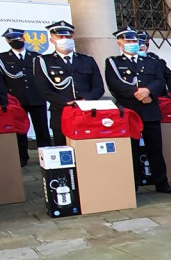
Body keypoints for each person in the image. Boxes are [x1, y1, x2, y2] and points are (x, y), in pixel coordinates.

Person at [104, 27, 171, 194]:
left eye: (135, 41)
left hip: (150, 110)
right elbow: (114, 84)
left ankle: (161, 182)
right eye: (128, 41)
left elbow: (160, 81)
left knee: (156, 149)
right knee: (132, 150)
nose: (133, 44)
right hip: (130, 111)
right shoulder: (114, 62)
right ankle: (134, 183)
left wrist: (148, 92)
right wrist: (137, 94)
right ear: (120, 43)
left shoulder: (151, 61)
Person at [34, 20, 105, 146]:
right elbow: (44, 90)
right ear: (52, 40)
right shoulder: (44, 61)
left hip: (87, 111)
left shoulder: (87, 60)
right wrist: (67, 103)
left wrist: (86, 99)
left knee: (88, 148)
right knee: (64, 151)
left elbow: (98, 87)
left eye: (68, 36)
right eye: (60, 37)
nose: (65, 39)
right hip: (61, 112)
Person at [0, 28, 49, 166]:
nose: (16, 41)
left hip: (37, 98)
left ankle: (45, 156)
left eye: (18, 38)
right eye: (12, 39)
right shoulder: (2, 59)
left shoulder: (36, 57)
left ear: (24, 38)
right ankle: (22, 157)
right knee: (19, 130)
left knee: (42, 129)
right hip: (16, 100)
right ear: (7, 41)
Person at [137, 31, 171, 100]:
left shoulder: (155, 59)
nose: (144, 46)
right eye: (142, 43)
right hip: (141, 96)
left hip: (160, 97)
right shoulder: (130, 61)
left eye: (146, 42)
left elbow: (170, 76)